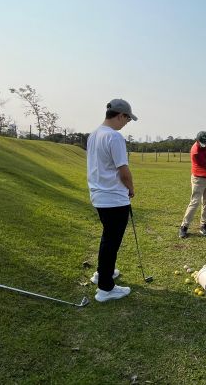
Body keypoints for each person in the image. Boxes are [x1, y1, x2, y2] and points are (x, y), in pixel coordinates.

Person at [87, 98, 138, 303]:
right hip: (114, 199)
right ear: (120, 115)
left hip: (99, 196)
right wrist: (131, 188)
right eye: (127, 119)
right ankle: (105, 288)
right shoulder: (114, 137)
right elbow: (123, 170)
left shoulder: (94, 134)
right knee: (111, 242)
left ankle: (102, 274)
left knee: (108, 238)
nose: (126, 123)